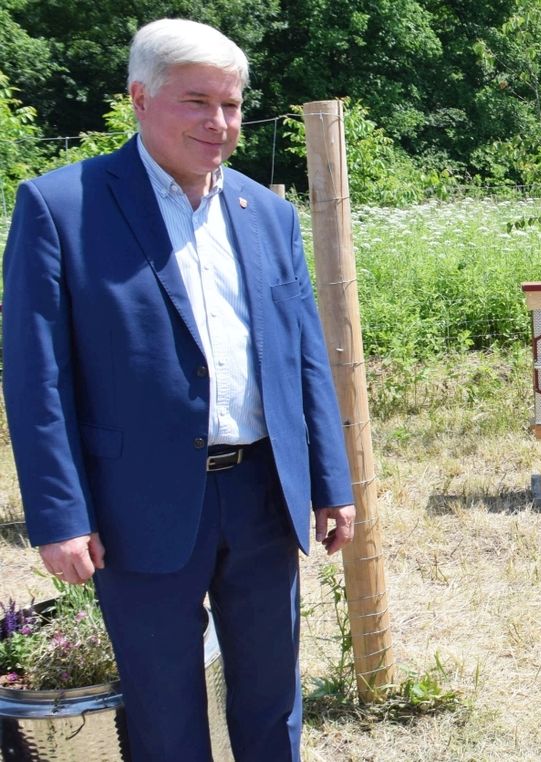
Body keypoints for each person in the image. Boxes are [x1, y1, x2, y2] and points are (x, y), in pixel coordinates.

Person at [1, 18, 355, 761]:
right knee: (165, 715)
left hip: (261, 494)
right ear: (139, 96)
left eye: (230, 105)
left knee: (270, 702)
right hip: (135, 506)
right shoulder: (61, 207)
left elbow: (303, 357)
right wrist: (59, 514)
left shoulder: (268, 213)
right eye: (198, 101)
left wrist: (330, 480)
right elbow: (39, 377)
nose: (220, 123)